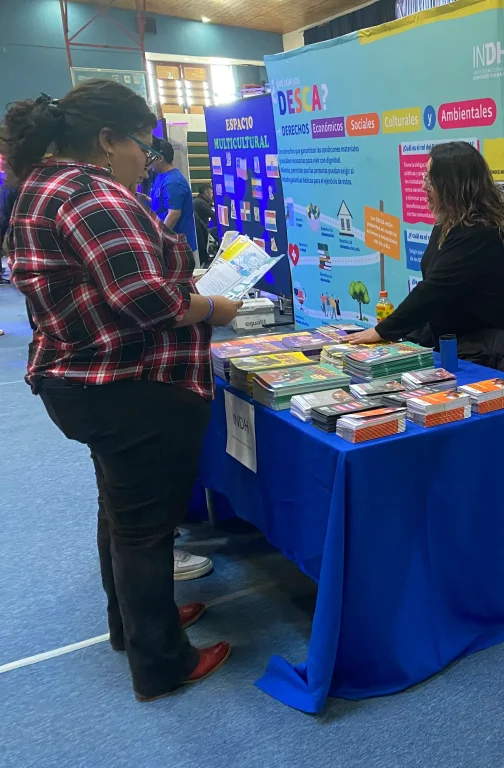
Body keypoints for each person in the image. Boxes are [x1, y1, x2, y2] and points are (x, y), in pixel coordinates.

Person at [2, 80, 241, 701]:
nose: (148, 159)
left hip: (85, 380)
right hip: (130, 384)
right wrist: (213, 307)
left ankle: (135, 625)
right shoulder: (91, 194)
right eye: (144, 144)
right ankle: (162, 662)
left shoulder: (42, 185)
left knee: (120, 511)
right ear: (108, 140)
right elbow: (144, 299)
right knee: (143, 526)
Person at [342, 141, 504, 373]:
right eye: (424, 178)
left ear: (453, 185)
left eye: (430, 180)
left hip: (503, 340)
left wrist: (383, 330)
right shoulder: (449, 222)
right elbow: (436, 282)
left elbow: (434, 289)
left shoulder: (481, 232)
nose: (423, 186)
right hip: (472, 329)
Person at [150, 138, 199, 268]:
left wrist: (159, 239)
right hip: (171, 247)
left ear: (160, 158)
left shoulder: (173, 182)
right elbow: (161, 205)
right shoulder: (161, 176)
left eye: (151, 156)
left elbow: (174, 214)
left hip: (180, 249)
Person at [193, 182, 214, 266]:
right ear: (206, 193)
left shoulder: (198, 201)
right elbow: (213, 214)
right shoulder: (201, 203)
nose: (212, 195)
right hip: (203, 231)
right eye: (211, 193)